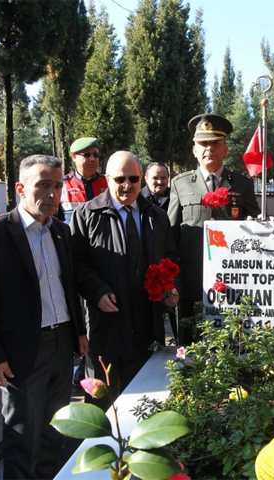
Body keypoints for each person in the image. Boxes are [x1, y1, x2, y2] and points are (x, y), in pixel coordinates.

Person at [0, 154, 87, 479]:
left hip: (61, 346)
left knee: (56, 432)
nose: (51, 194)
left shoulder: (61, 232)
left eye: (57, 186)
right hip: (22, 353)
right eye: (43, 185)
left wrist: (80, 333)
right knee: (22, 438)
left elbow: (68, 288)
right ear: (20, 187)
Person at [70, 151, 178, 395]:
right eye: (120, 179)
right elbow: (76, 264)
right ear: (107, 179)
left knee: (145, 393)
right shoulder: (86, 215)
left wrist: (170, 287)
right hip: (106, 323)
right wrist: (97, 291)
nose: (127, 185)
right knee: (103, 396)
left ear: (141, 179)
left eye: (133, 179)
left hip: (147, 322)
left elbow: (170, 259)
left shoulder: (157, 217)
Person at [168, 113, 259, 320]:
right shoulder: (180, 184)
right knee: (191, 340)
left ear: (225, 149)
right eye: (203, 143)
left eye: (215, 143)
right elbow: (171, 236)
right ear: (194, 150)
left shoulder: (242, 185)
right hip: (192, 279)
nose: (209, 148)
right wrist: (174, 280)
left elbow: (256, 230)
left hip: (232, 279)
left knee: (231, 342)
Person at [61, 137, 107, 212]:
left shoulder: (108, 183)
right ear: (74, 157)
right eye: (87, 155)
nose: (92, 159)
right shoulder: (63, 185)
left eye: (95, 155)